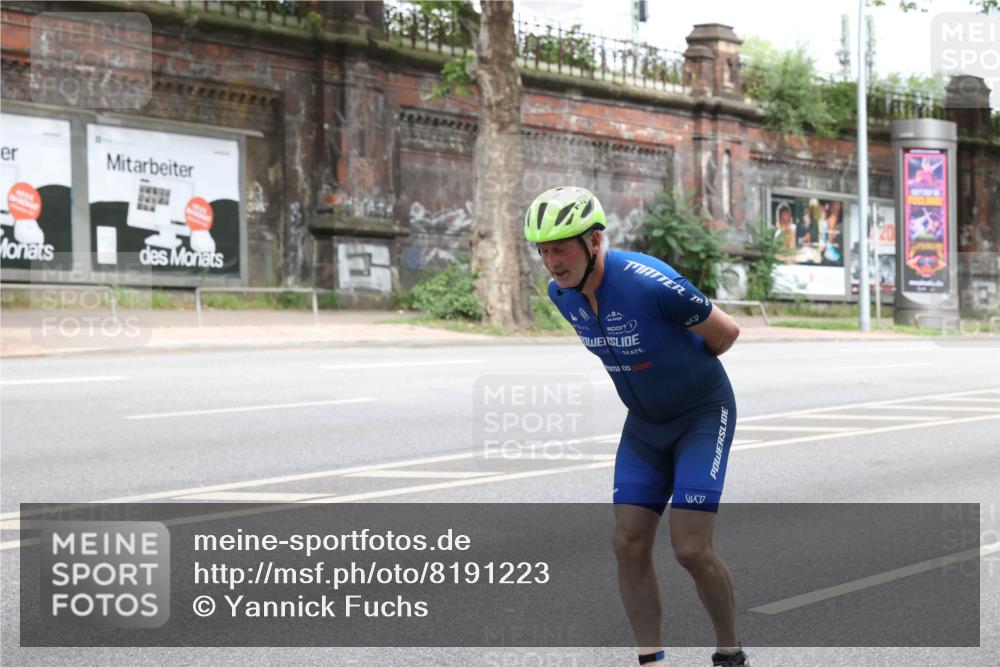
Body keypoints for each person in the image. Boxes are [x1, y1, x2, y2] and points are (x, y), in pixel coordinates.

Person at [523, 186, 749, 666]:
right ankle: (651, 659)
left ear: (594, 241)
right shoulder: (561, 295)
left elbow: (726, 332)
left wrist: (687, 377)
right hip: (645, 426)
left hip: (701, 416)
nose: (552, 262)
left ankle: (730, 652)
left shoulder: (649, 282)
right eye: (543, 251)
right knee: (627, 542)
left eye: (561, 248)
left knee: (690, 548)